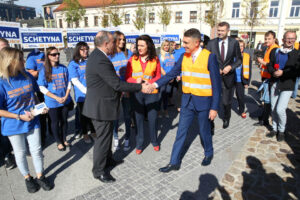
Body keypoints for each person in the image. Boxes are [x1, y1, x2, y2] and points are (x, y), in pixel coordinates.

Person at [147, 28, 221, 172]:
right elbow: (171, 74)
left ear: (197, 43)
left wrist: (214, 108)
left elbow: (216, 85)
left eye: (187, 43)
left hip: (204, 102)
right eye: (183, 42)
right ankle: (174, 162)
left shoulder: (209, 57)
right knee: (181, 131)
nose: (184, 45)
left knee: (204, 130)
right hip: (187, 101)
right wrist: (154, 85)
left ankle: (208, 153)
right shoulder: (183, 57)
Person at [82, 31, 147, 183]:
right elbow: (116, 84)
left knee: (107, 136)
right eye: (113, 42)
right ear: (106, 44)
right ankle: (99, 171)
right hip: (101, 107)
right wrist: (139, 86)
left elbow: (112, 81)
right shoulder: (100, 59)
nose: (116, 44)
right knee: (103, 140)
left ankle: (108, 160)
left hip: (104, 105)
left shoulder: (99, 56)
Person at [0, 47, 52, 193]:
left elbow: (34, 94)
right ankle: (28, 178)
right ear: (10, 62)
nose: (24, 61)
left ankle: (40, 175)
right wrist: (18, 116)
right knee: (20, 152)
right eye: (20, 59)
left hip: (32, 120)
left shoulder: (27, 76)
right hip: (13, 125)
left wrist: (40, 107)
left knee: (36, 150)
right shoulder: (2, 83)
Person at [126, 35, 161, 155]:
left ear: (148, 46)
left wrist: (150, 83)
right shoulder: (132, 59)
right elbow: (127, 77)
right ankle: (139, 143)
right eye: (138, 45)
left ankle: (154, 141)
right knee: (138, 120)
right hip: (137, 93)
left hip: (152, 93)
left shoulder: (155, 59)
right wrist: (135, 81)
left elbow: (158, 76)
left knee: (153, 119)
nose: (139, 48)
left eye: (142, 45)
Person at [206, 21, 242, 129]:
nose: (220, 33)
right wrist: (215, 68)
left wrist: (231, 67)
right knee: (211, 101)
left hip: (228, 78)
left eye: (222, 31)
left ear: (228, 31)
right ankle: (210, 122)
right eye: (218, 30)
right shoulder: (211, 43)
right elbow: (206, 59)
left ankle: (227, 117)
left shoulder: (234, 43)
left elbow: (239, 59)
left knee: (226, 102)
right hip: (213, 78)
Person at [266, 31, 300, 141]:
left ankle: (281, 130)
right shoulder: (275, 51)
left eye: (293, 38)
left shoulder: (297, 54)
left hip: (287, 85)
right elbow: (270, 65)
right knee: (273, 108)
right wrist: (273, 72)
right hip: (275, 83)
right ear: (283, 39)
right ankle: (274, 129)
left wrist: (283, 73)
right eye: (288, 38)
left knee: (280, 109)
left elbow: (297, 71)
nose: (290, 40)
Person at [37, 47, 72, 151]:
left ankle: (64, 138)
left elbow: (69, 82)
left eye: (58, 54)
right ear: (48, 56)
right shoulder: (43, 70)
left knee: (64, 121)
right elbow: (41, 87)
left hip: (65, 100)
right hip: (52, 102)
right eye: (53, 54)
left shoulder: (63, 68)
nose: (57, 56)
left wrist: (66, 96)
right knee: (55, 122)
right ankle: (58, 141)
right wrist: (56, 97)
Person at [109, 31, 133, 151]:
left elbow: (132, 72)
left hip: (127, 89)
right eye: (120, 39)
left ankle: (128, 138)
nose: (123, 42)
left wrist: (127, 88)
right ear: (114, 40)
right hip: (114, 90)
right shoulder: (110, 55)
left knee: (128, 115)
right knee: (115, 116)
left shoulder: (129, 54)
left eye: (124, 39)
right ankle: (116, 138)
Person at [68, 42, 95, 144]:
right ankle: (85, 134)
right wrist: (86, 91)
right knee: (83, 116)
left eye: (86, 49)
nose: (85, 51)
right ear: (78, 50)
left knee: (93, 114)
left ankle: (93, 131)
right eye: (82, 49)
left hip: (93, 92)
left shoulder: (89, 61)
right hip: (82, 95)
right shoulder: (73, 63)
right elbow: (74, 80)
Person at [25, 48, 51, 147]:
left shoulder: (49, 53)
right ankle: (42, 137)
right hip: (40, 89)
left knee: (52, 112)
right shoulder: (32, 56)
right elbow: (32, 74)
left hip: (52, 87)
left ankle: (54, 132)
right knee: (42, 114)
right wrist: (44, 67)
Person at [254, 31, 279, 127]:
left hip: (270, 78)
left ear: (274, 39)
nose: (267, 40)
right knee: (266, 99)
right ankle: (263, 117)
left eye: (269, 39)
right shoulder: (269, 48)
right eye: (266, 39)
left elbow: (272, 65)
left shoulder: (275, 49)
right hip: (266, 77)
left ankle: (265, 120)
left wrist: (262, 62)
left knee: (268, 100)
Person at [0, 38, 16, 170]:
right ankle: (7, 155)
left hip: (13, 103)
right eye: (2, 47)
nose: (4, 50)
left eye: (6, 47)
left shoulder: (13, 64)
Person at [234, 40, 252, 118]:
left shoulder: (247, 56)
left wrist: (247, 82)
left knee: (240, 96)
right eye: (238, 46)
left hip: (240, 80)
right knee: (227, 97)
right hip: (232, 79)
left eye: (241, 46)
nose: (240, 48)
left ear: (243, 47)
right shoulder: (232, 56)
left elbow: (249, 70)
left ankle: (242, 110)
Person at [159, 40, 175, 118]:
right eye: (165, 45)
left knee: (167, 95)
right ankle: (159, 111)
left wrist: (172, 77)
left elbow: (173, 67)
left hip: (171, 79)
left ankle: (165, 111)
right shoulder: (161, 56)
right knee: (161, 95)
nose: (166, 47)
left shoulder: (171, 55)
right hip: (163, 79)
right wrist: (168, 78)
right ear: (162, 46)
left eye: (167, 45)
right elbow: (161, 68)